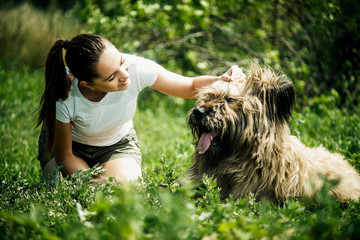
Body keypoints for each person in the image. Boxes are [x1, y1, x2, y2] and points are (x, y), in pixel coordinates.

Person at [36, 33, 246, 183]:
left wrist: (222, 79)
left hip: (116, 145)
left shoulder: (136, 68)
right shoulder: (64, 95)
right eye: (112, 77)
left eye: (121, 62)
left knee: (122, 191)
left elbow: (190, 86)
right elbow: (66, 157)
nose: (125, 75)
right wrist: (87, 183)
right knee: (67, 189)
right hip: (70, 147)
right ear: (87, 84)